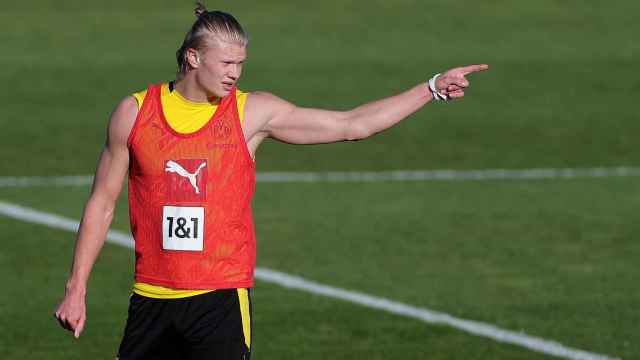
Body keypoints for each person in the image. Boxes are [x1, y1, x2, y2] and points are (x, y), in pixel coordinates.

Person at [54, 3, 488, 359]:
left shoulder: (250, 114)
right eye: (226, 62)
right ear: (192, 58)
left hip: (219, 302)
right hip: (150, 298)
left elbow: (352, 124)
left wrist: (430, 88)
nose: (235, 73)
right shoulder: (134, 113)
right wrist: (77, 289)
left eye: (241, 64)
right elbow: (102, 204)